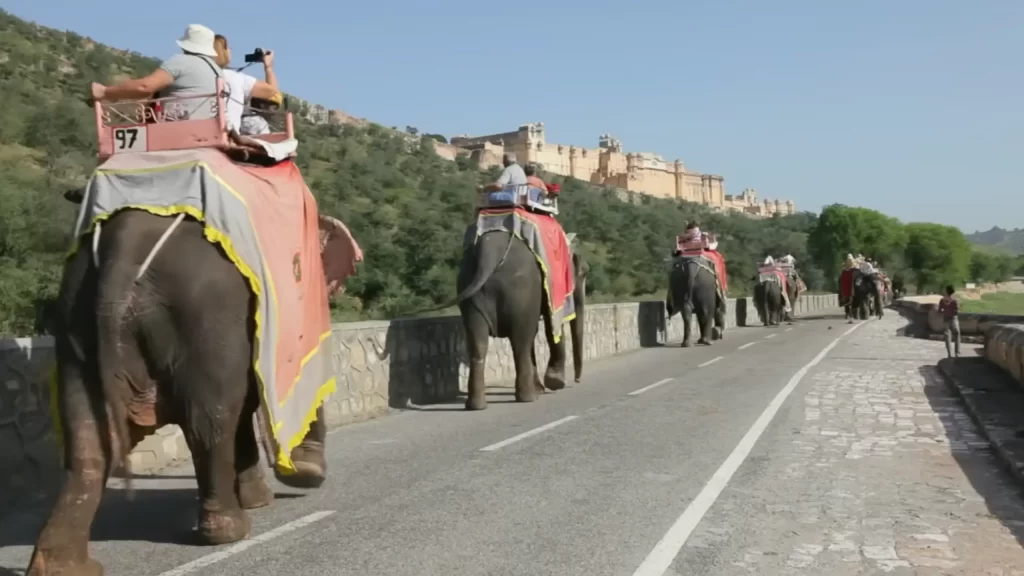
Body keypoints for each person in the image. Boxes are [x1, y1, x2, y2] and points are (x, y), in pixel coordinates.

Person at [91, 24, 222, 119]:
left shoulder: (181, 61)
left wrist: (106, 92)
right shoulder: (217, 71)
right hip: (210, 127)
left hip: (177, 127)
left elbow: (144, 87)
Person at [213, 34, 282, 133]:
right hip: (227, 134)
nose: (230, 50)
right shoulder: (235, 78)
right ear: (221, 52)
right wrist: (268, 66)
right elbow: (271, 90)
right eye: (227, 47)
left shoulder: (196, 75)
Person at [938, 285, 961, 358]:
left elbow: (940, 311)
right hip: (953, 319)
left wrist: (945, 311)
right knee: (956, 335)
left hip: (947, 319)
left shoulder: (943, 300)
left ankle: (950, 354)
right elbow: (956, 311)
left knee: (948, 336)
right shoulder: (954, 300)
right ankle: (956, 353)